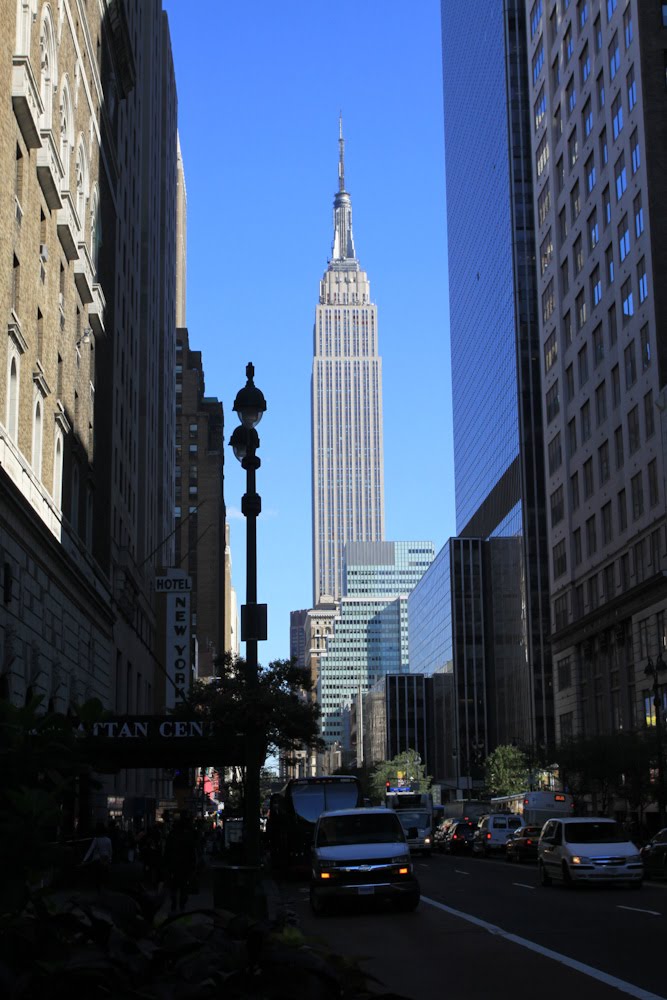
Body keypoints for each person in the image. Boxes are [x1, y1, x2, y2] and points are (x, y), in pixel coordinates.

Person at [163, 812, 198, 913]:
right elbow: (192, 851)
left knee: (174, 886)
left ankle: (175, 903)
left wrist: (166, 864)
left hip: (174, 865)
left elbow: (167, 851)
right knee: (183, 886)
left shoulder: (172, 835)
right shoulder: (188, 835)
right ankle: (181, 904)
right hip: (185, 865)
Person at [82, 822, 113, 891]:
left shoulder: (96, 839)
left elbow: (90, 850)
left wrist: (84, 859)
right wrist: (110, 860)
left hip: (97, 860)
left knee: (97, 876)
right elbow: (110, 851)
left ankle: (98, 889)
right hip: (105, 859)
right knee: (105, 876)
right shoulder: (108, 840)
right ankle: (104, 889)